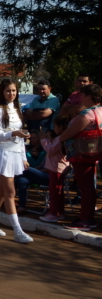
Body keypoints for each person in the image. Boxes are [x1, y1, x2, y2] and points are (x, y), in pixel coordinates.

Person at [0, 79, 34, 243]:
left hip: (15, 154)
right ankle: (18, 231)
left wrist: (23, 157)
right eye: (8, 91)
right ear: (2, 93)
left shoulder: (17, 109)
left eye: (13, 91)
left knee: (2, 191)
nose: (11, 94)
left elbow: (20, 137)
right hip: (3, 154)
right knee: (10, 191)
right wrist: (14, 134)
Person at [59, 84, 102, 231]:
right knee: (89, 187)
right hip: (94, 153)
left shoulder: (87, 114)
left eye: (83, 95)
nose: (80, 98)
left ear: (89, 96)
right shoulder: (100, 111)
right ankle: (88, 218)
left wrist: (59, 139)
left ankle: (85, 220)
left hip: (82, 155)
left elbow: (70, 132)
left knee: (86, 188)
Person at [39, 115, 70, 223]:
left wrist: (43, 140)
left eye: (55, 126)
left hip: (56, 168)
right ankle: (59, 212)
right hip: (60, 167)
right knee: (59, 191)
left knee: (55, 191)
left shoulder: (59, 139)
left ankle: (53, 213)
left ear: (61, 127)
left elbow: (51, 150)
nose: (54, 128)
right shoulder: (63, 138)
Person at [15, 130, 48, 214]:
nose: (32, 140)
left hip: (45, 176)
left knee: (23, 170)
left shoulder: (46, 150)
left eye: (34, 138)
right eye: (31, 138)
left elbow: (47, 169)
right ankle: (22, 206)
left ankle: (6, 195)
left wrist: (34, 170)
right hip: (31, 176)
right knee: (22, 180)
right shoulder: (28, 150)